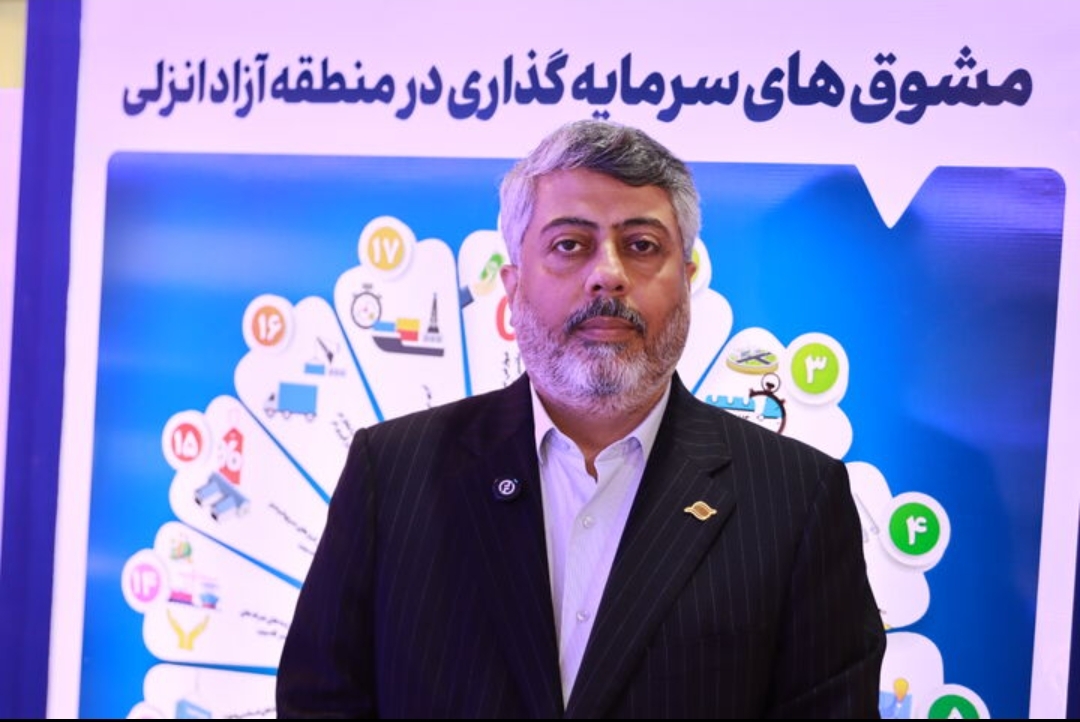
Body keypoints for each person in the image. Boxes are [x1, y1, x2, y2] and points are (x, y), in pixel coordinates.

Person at [275, 119, 886, 718]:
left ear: (688, 282)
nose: (608, 276)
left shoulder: (796, 498)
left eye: (641, 246)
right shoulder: (393, 473)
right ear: (513, 286)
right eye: (570, 244)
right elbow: (319, 703)